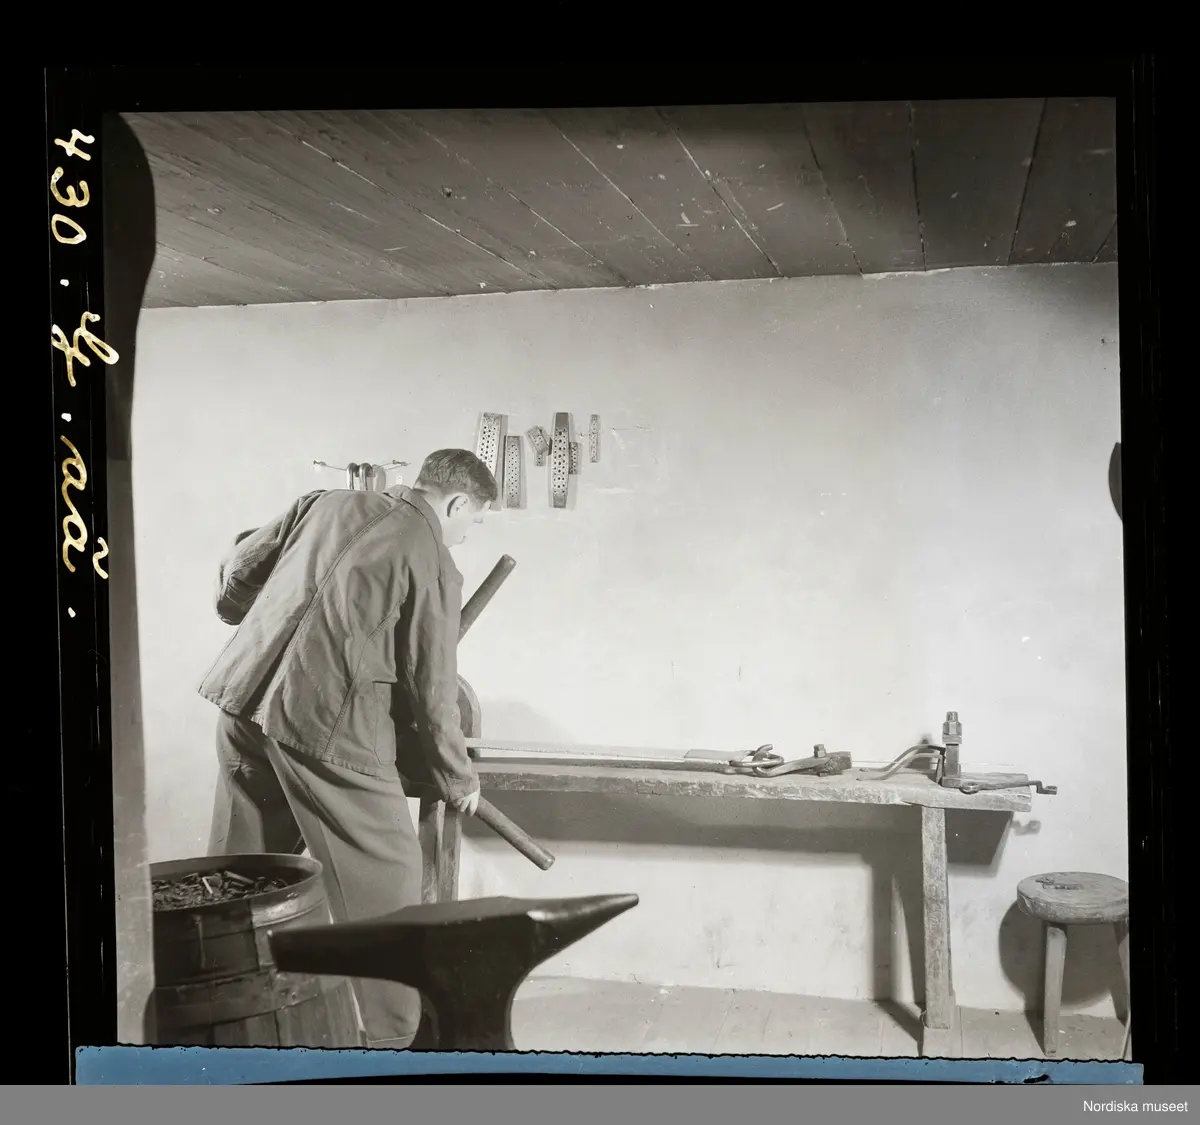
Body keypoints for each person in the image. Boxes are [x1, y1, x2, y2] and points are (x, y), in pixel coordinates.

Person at [199, 448, 497, 1049]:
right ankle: (393, 1041)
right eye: (475, 519)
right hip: (324, 727)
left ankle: (219, 1010)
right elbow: (432, 687)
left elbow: (239, 566)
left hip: (243, 698)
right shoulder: (433, 558)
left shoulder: (324, 503)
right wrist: (457, 778)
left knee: (242, 866)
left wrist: (239, 612)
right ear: (458, 502)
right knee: (389, 869)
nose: (469, 533)